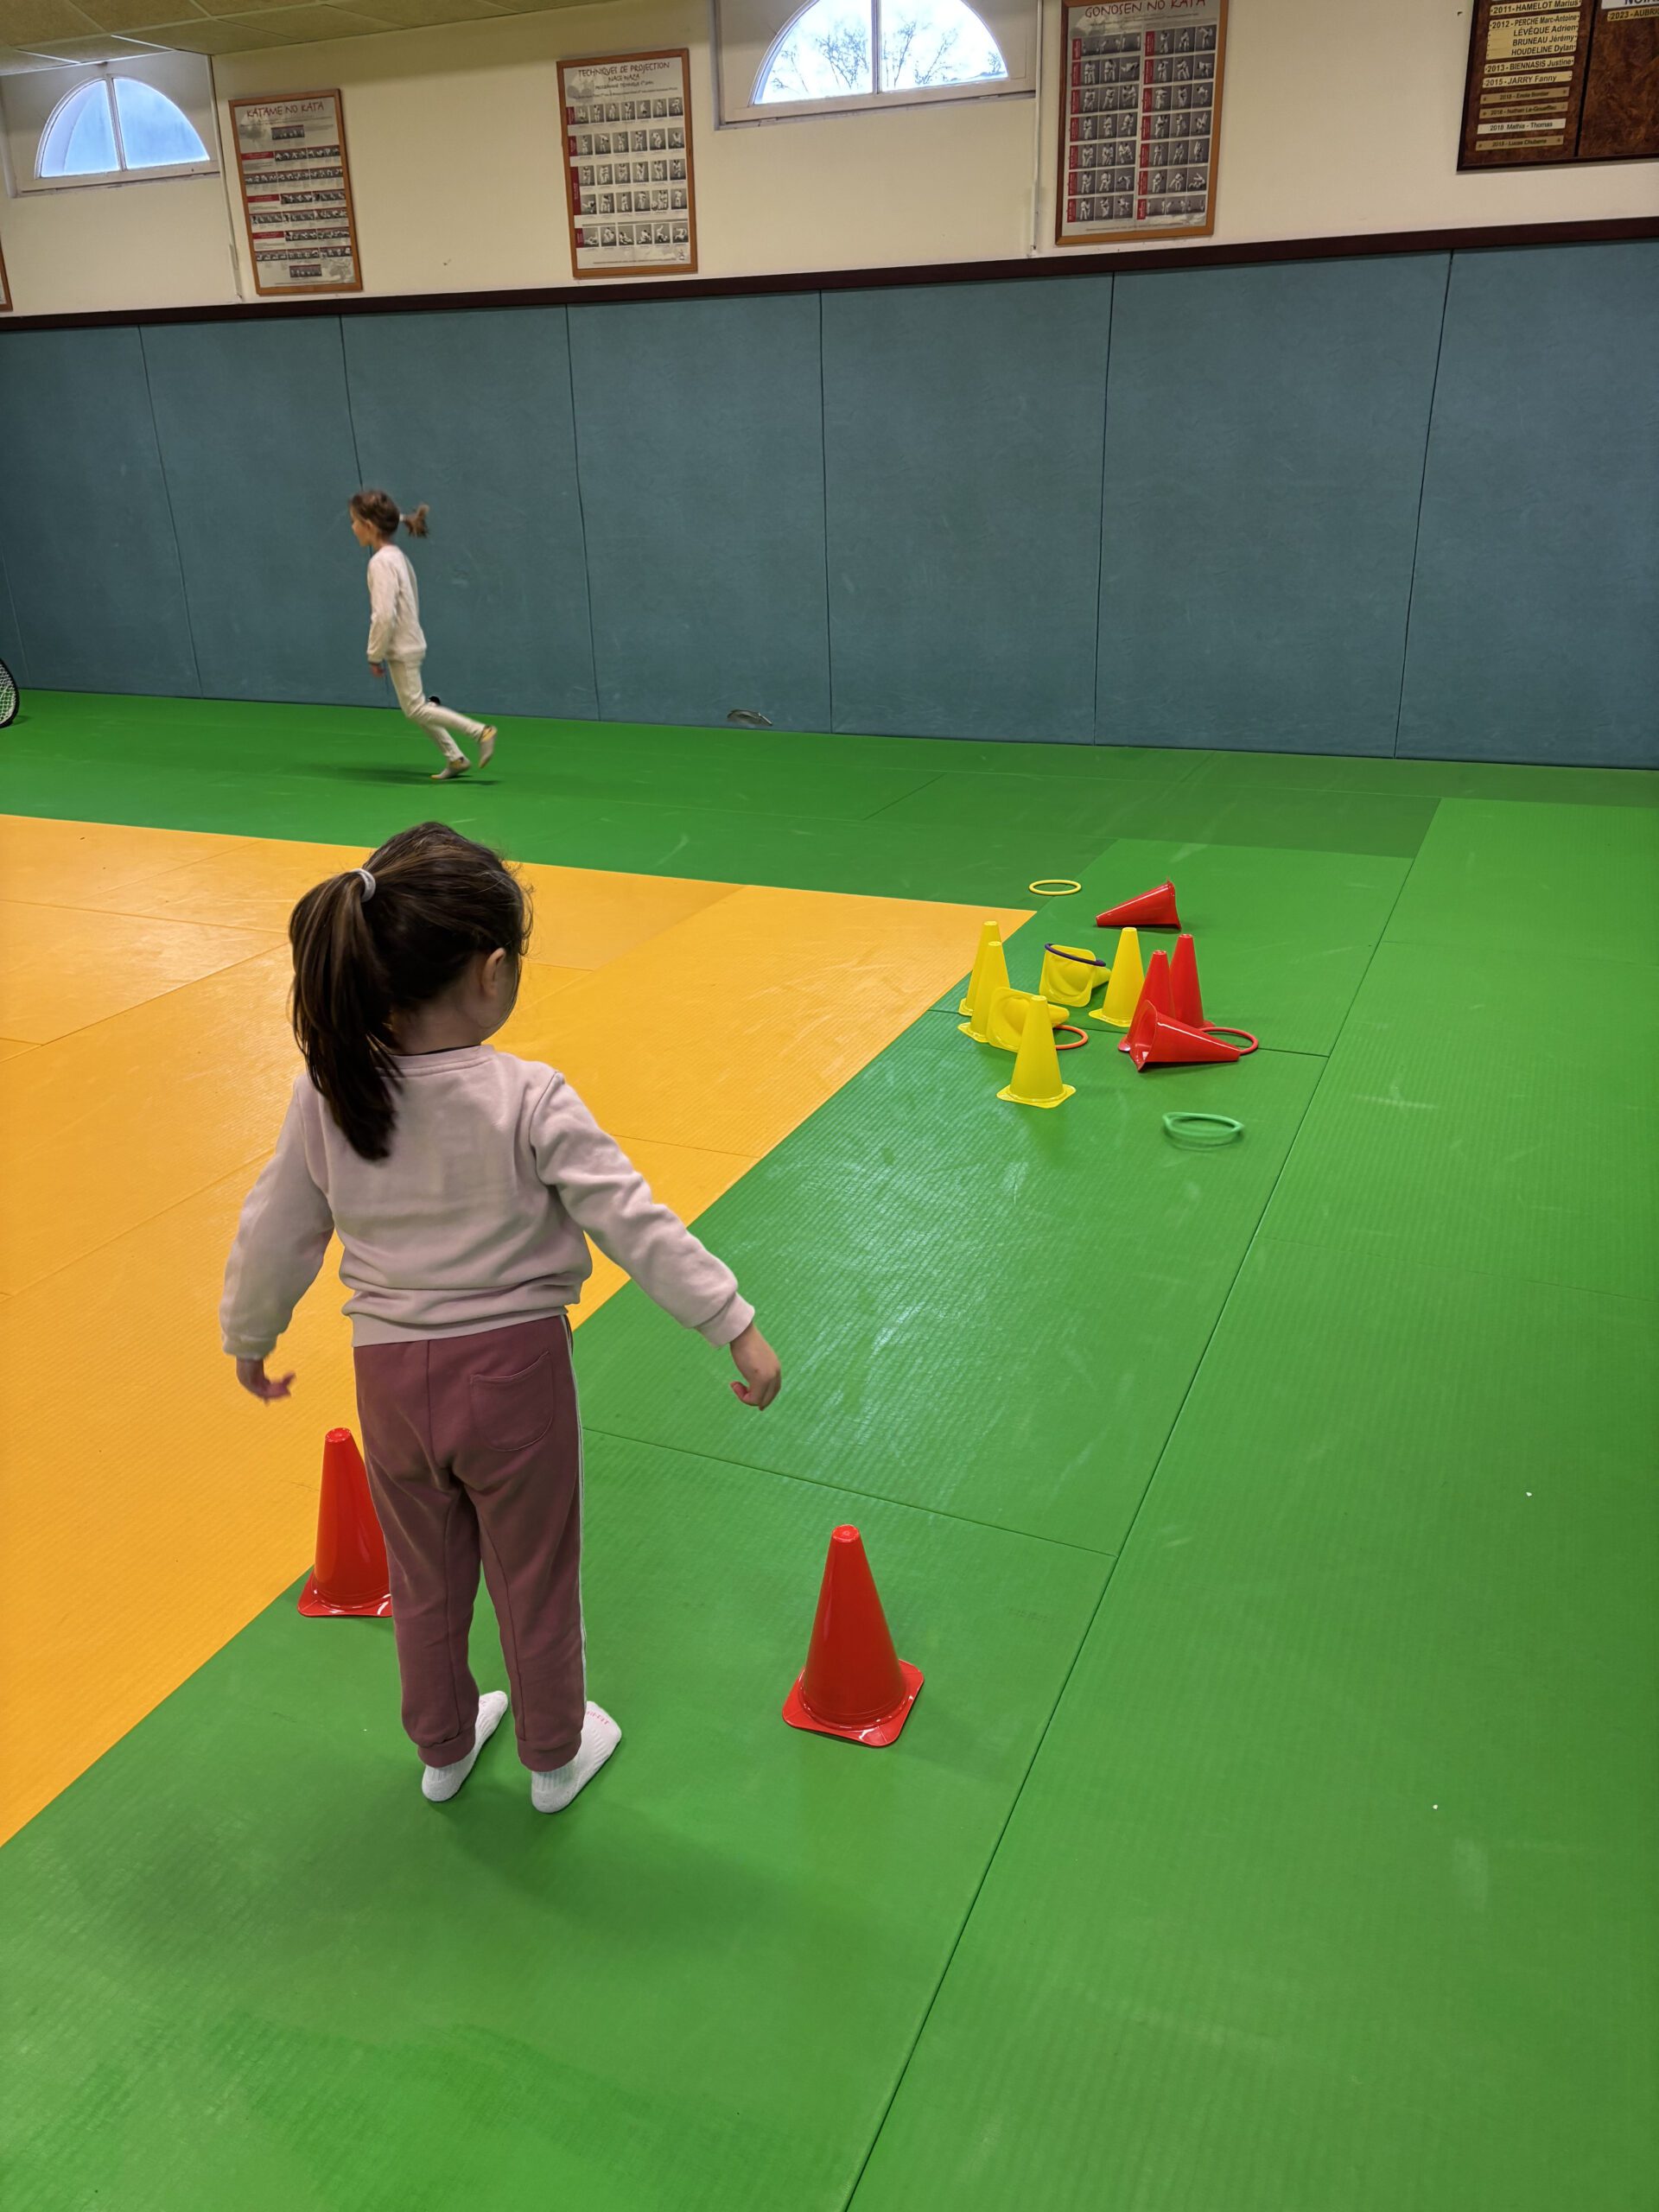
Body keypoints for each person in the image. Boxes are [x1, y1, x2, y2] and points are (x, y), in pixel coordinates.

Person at [219, 823, 782, 1814]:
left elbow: (276, 1228)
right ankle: (554, 1756)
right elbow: (631, 1217)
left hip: (391, 1379)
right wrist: (729, 1320)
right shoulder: (526, 1095)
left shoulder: (330, 1092)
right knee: (534, 1572)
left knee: (425, 1576)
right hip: (514, 1376)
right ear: (492, 973)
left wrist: (249, 1335)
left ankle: (441, 1747)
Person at [349, 490, 497, 784]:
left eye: (354, 521)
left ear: (369, 525)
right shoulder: (396, 557)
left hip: (402, 646)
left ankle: (480, 732)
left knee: (416, 708)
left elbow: (384, 615)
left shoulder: (380, 562)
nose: (352, 528)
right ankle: (455, 758)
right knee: (416, 708)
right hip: (409, 642)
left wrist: (374, 654)